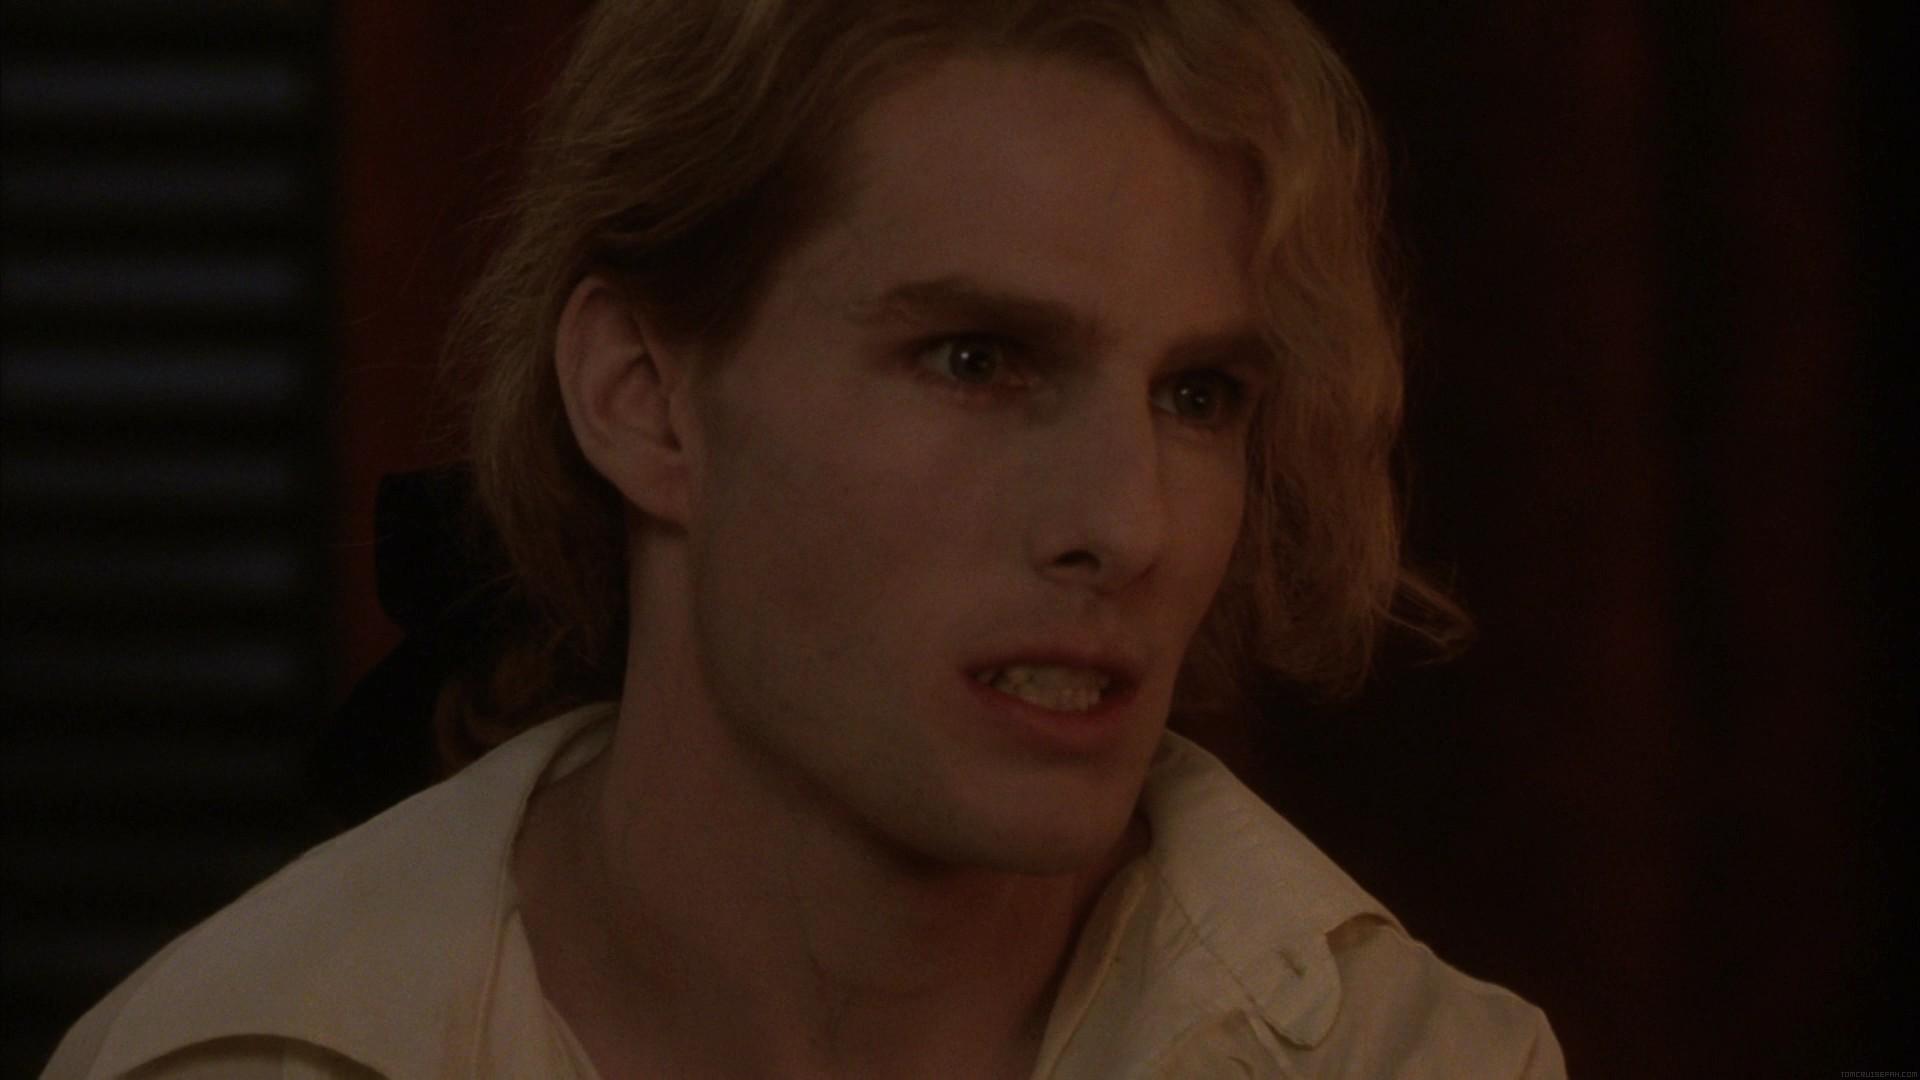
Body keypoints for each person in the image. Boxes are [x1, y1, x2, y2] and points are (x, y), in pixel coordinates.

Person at [46, 1, 1565, 1076]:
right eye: (977, 360)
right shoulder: (248, 1056)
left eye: (1198, 394)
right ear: (643, 398)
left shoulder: (1411, 1061)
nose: (1129, 524)